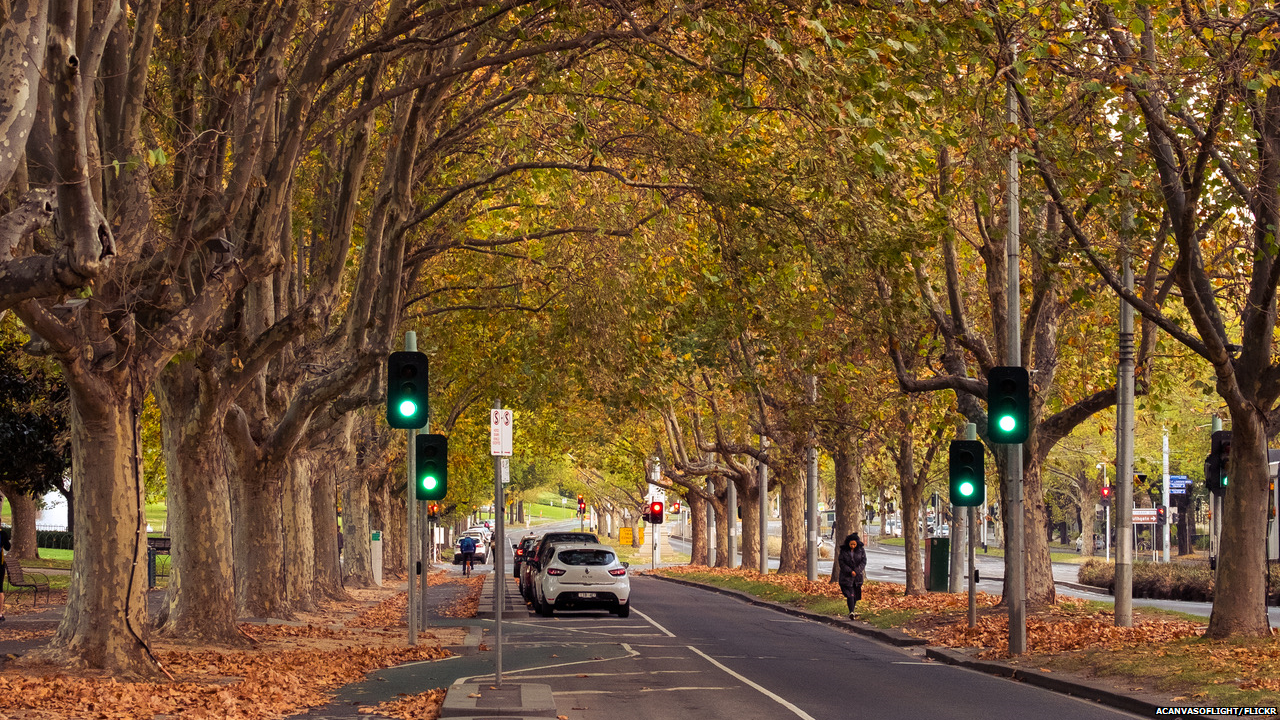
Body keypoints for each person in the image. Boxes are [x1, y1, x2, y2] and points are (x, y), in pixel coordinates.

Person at [837, 532, 867, 619]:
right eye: (851, 544)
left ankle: (852, 611)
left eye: (854, 544)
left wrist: (857, 571)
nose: (853, 546)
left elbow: (863, 561)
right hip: (846, 577)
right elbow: (841, 562)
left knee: (855, 595)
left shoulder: (861, 550)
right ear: (848, 543)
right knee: (850, 594)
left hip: (857, 577)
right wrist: (850, 571)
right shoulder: (844, 551)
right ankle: (851, 612)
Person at [0, 526, 10, 621]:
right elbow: (8, 547)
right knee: (0, 590)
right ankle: (0, 613)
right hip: (0, 564)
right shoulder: (3, 534)